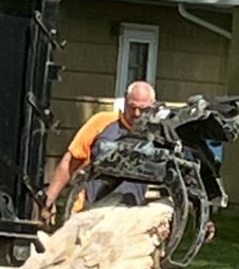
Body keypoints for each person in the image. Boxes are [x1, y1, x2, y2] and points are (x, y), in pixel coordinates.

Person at [40, 80, 155, 225]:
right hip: (88, 213)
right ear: (125, 100)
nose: (137, 113)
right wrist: (48, 201)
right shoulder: (102, 122)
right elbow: (69, 163)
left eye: (143, 109)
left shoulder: (156, 136)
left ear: (152, 105)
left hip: (128, 220)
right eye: (132, 107)